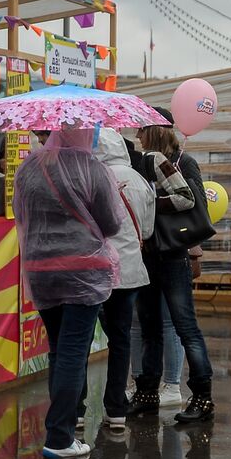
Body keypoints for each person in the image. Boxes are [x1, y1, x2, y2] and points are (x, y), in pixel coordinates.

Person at [13, 127, 123, 459]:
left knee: (59, 350)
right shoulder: (93, 169)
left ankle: (65, 424)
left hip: (40, 271)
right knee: (74, 351)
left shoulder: (29, 167)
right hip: (83, 270)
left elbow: (21, 214)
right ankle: (60, 437)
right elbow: (113, 224)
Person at [128, 113, 215, 424]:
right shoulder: (139, 162)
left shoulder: (183, 161)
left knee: (184, 326)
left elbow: (196, 206)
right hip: (148, 254)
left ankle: (202, 396)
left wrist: (153, 201)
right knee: (149, 326)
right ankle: (147, 392)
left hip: (175, 253)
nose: (137, 135)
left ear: (152, 131)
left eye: (141, 129)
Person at [81, 128, 156, 433]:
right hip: (130, 272)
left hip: (96, 270)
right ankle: (116, 411)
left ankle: (77, 410)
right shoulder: (139, 180)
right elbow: (148, 230)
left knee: (82, 340)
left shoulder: (90, 178)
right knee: (121, 339)